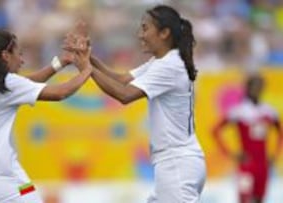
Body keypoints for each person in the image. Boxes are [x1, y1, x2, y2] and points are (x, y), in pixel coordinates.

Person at [65, 5, 206, 203]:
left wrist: (86, 69)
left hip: (176, 165)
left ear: (164, 33)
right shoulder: (163, 61)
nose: (140, 35)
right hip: (178, 162)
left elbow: (124, 95)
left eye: (145, 28)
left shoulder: (168, 65)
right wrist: (89, 57)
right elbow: (122, 79)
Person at [0, 29, 91, 203]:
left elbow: (24, 85)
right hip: (4, 183)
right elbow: (61, 93)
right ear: (5, 55)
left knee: (27, 187)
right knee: (28, 193)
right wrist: (88, 69)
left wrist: (60, 63)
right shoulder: (8, 84)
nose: (22, 60)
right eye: (19, 54)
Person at [213, 74, 283, 203]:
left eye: (260, 87)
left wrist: (275, 154)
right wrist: (231, 153)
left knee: (259, 199)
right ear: (248, 88)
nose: (257, 90)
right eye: (254, 87)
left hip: (263, 166)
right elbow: (215, 131)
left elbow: (280, 132)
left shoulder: (268, 111)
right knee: (244, 199)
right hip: (246, 165)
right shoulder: (238, 111)